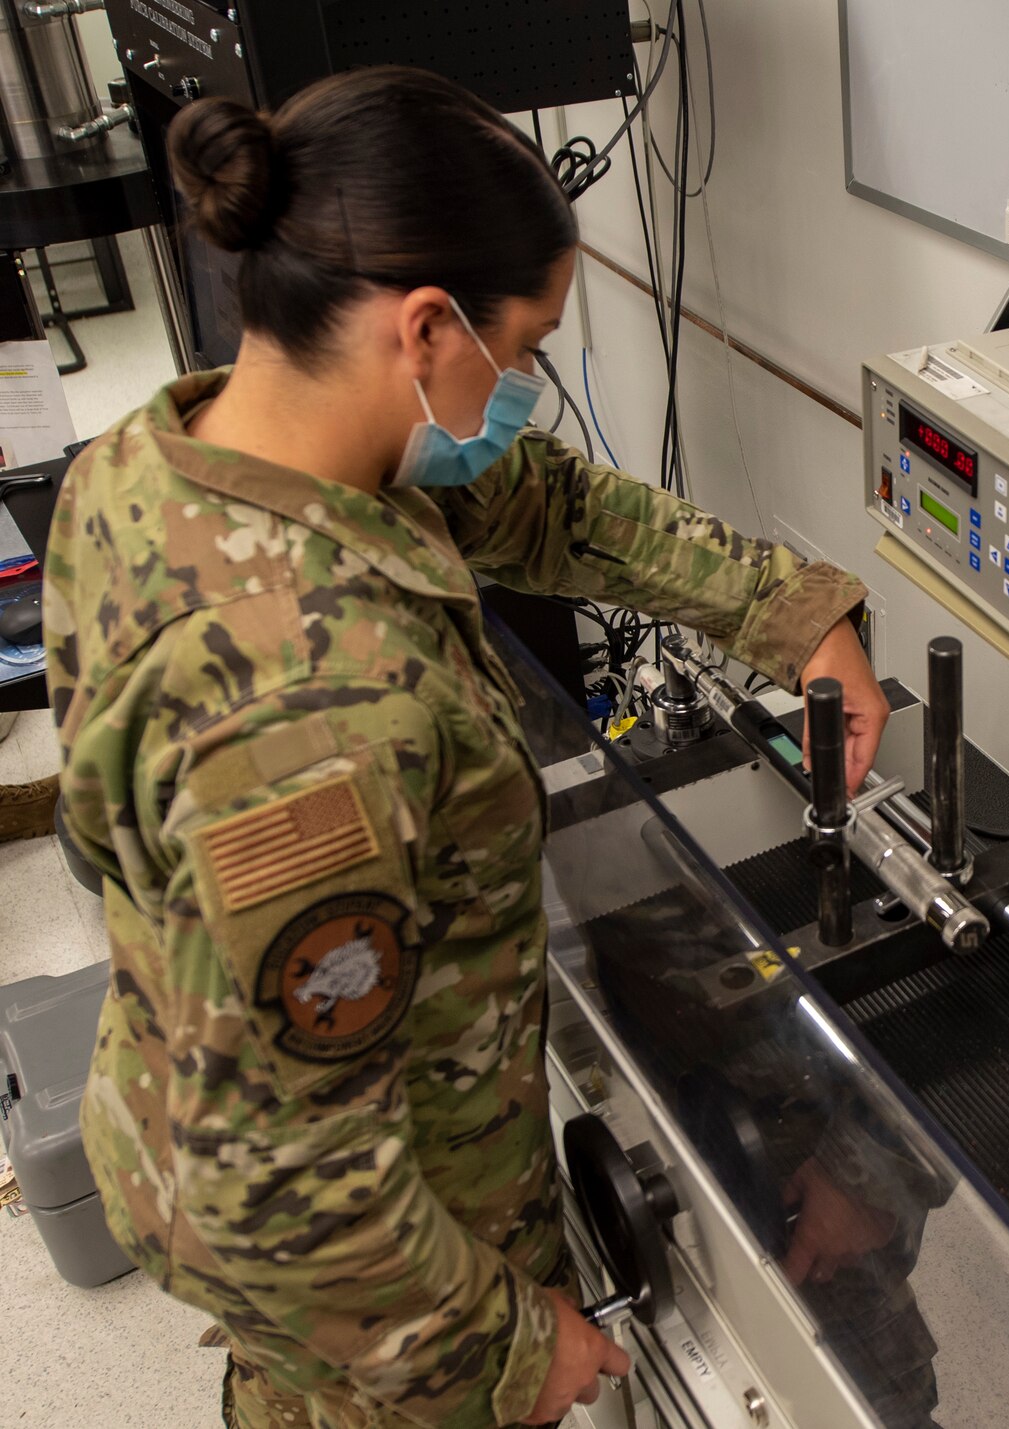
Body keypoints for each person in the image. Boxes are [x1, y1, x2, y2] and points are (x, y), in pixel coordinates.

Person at [44, 67, 890, 1428]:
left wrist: (794, 617)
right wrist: (492, 1349)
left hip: (235, 1132)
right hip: (377, 1283)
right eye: (530, 345)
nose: (532, 387)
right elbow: (281, 1184)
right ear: (426, 326)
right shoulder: (316, 710)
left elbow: (547, 506)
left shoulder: (161, 463)